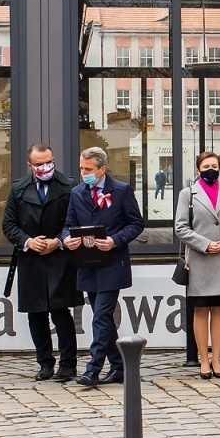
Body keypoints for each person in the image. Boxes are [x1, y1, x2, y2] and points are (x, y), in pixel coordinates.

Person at [62, 146, 146, 387]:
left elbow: (136, 224)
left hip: (112, 263)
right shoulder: (77, 193)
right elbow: (68, 224)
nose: (83, 173)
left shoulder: (121, 191)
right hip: (88, 263)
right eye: (81, 168)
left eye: (88, 169)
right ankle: (119, 367)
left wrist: (115, 240)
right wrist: (68, 238)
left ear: (102, 169)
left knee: (100, 316)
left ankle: (93, 369)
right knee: (104, 319)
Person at [2, 143, 83, 381]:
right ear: (30, 166)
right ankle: (45, 362)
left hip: (60, 257)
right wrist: (27, 241)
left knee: (61, 312)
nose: (45, 167)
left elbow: (76, 222)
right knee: (36, 314)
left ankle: (68, 364)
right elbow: (8, 225)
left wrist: (57, 242)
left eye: (49, 162)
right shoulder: (18, 189)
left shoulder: (69, 186)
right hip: (31, 259)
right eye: (39, 164)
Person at [175, 151, 220, 379]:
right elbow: (181, 228)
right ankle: (203, 360)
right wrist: (206, 244)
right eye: (206, 166)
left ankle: (217, 359)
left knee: (218, 311)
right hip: (199, 260)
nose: (210, 170)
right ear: (198, 169)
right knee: (200, 310)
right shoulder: (188, 194)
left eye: (214, 165)